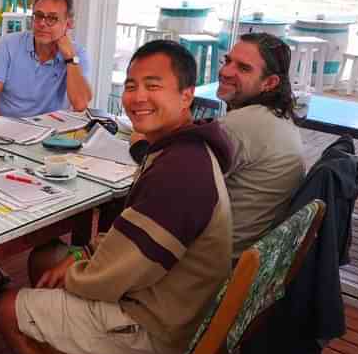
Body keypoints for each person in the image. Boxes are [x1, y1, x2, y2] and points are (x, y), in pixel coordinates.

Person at [0, 40, 233, 354]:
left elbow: (115, 276)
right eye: (131, 85)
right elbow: (131, 242)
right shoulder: (182, 149)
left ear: (186, 95)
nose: (137, 97)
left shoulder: (180, 173)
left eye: (153, 86)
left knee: (8, 307)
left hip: (155, 324)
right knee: (46, 258)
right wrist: (78, 257)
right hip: (169, 297)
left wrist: (75, 273)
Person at [131, 32, 305, 258]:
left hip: (210, 265)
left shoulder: (241, 126)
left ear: (270, 83)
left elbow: (172, 177)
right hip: (246, 254)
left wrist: (141, 146)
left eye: (243, 68)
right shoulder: (278, 118)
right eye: (227, 61)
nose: (225, 71)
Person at [0, 0, 93, 122]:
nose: (42, 23)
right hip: (7, 130)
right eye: (38, 16)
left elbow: (80, 105)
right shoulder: (9, 44)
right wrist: (3, 136)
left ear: (68, 24)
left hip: (52, 133)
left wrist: (70, 57)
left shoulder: (77, 54)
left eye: (52, 18)